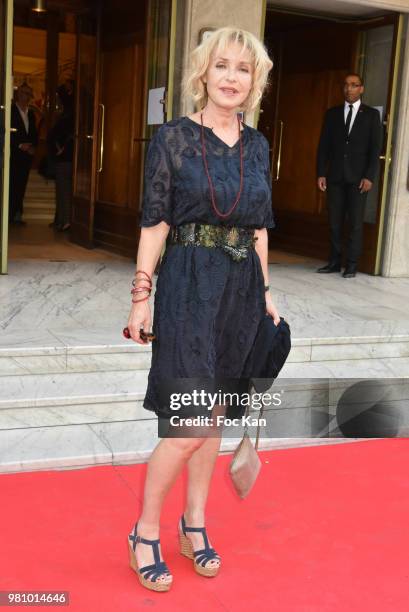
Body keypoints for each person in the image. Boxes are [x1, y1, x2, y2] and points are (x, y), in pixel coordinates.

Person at [125, 27, 279, 592]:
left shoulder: (258, 145)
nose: (232, 77)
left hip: (240, 289)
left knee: (213, 419)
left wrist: (265, 293)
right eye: (223, 66)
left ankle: (194, 525)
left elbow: (259, 227)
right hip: (189, 284)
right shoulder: (175, 138)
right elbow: (156, 221)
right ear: (203, 74)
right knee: (188, 422)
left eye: (243, 68)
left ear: (254, 80)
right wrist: (141, 295)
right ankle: (144, 531)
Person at [316, 73, 382, 278]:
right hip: (335, 177)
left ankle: (352, 265)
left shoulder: (371, 115)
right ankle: (334, 262)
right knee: (334, 222)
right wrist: (321, 173)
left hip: (358, 179)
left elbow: (375, 149)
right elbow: (323, 147)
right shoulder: (332, 114)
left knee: (355, 223)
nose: (349, 89)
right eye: (346, 85)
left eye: (354, 85)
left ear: (361, 88)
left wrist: (369, 176)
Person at [9, 83, 38, 225]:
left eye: (28, 94)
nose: (26, 97)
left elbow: (33, 133)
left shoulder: (31, 113)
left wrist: (33, 146)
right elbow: (8, 131)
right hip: (13, 154)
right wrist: (20, 145)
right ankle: (9, 216)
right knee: (12, 186)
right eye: (24, 93)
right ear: (18, 94)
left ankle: (17, 215)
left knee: (22, 186)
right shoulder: (10, 110)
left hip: (26, 157)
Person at [47, 83, 75, 231]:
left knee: (63, 190)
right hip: (67, 158)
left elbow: (58, 135)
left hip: (65, 158)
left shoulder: (68, 115)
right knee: (63, 190)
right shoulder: (72, 114)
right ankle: (62, 220)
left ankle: (65, 221)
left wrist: (60, 148)